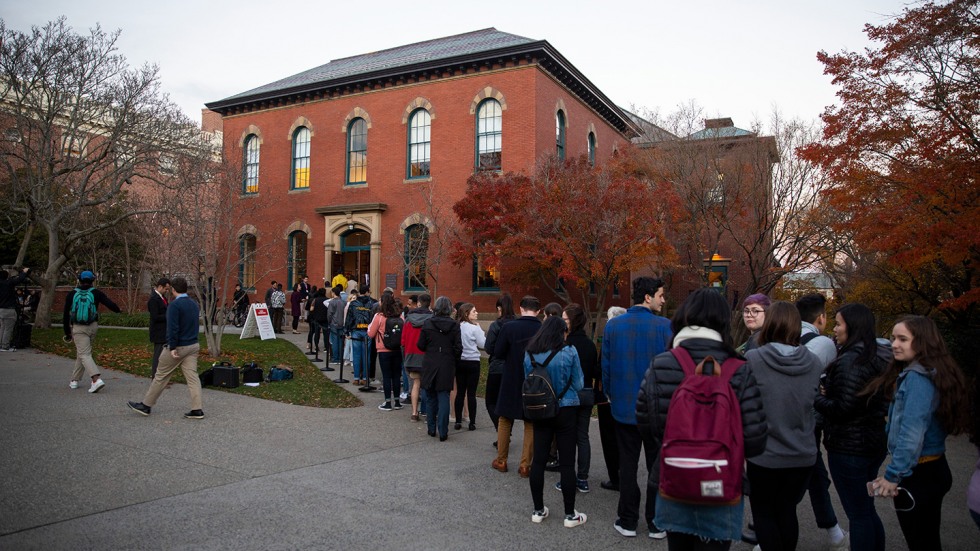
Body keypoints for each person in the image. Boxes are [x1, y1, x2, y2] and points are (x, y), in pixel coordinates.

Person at [636, 288, 768, 550]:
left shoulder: (662, 363)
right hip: (721, 482)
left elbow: (645, 420)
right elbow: (755, 440)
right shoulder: (739, 369)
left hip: (674, 476)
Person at [866, 316, 970, 550]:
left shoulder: (918, 377)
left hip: (919, 474)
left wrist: (893, 475)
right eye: (893, 338)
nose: (894, 344)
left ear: (922, 342)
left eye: (903, 339)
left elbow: (912, 434)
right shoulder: (930, 372)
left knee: (921, 542)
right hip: (932, 468)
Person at [744, 301, 823, 551]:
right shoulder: (813, 363)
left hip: (764, 453)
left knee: (764, 513)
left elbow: (744, 404)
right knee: (788, 511)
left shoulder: (754, 358)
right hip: (802, 452)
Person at [813, 303, 891, 551]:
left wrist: (817, 398)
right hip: (871, 442)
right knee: (866, 509)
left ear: (853, 326)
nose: (834, 329)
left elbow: (843, 407)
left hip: (849, 447)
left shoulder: (850, 361)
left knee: (858, 513)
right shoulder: (876, 356)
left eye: (838, 323)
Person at [601, 276, 672, 539]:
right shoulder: (666, 327)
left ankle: (628, 520)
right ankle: (656, 521)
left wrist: (610, 394)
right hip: (657, 409)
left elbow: (605, 366)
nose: (663, 301)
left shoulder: (614, 326)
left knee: (627, 466)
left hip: (623, 406)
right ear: (647, 297)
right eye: (661, 295)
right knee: (657, 466)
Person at [795, 293, 848, 549]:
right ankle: (832, 528)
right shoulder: (825, 345)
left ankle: (832, 528)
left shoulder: (780, 337)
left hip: (780, 415)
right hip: (810, 417)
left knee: (809, 471)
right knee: (812, 470)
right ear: (821, 317)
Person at [525, 315, 587, 528]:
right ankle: (570, 515)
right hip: (566, 408)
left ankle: (538, 510)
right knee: (568, 463)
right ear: (562, 332)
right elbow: (579, 384)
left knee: (539, 461)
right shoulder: (569, 352)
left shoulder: (530, 353)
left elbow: (529, 381)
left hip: (540, 409)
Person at [127, 277, 204, 419]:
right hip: (193, 345)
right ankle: (197, 409)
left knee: (160, 375)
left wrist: (172, 346)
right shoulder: (194, 304)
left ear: (173, 290)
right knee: (193, 378)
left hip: (179, 346)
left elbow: (172, 328)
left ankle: (146, 405)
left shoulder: (174, 306)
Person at [492, 295, 543, 477]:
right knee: (530, 422)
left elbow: (498, 352)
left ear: (521, 308)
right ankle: (525, 465)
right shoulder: (542, 329)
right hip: (534, 380)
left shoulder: (509, 327)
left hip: (511, 377)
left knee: (505, 419)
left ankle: (502, 460)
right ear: (538, 311)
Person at [558, 303, 597, 494]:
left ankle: (568, 478)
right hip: (587, 392)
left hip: (570, 394)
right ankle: (582, 478)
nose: (562, 322)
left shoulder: (566, 345)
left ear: (572, 321)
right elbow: (595, 370)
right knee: (583, 437)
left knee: (567, 437)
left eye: (565, 319)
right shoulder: (590, 345)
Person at [63, 270, 121, 393]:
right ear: (92, 280)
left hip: (78, 328)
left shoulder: (72, 294)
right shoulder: (96, 293)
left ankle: (96, 379)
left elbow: (65, 314)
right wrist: (118, 310)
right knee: (83, 352)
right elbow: (110, 304)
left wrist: (67, 331)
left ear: (79, 280)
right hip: (93, 326)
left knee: (84, 354)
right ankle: (74, 380)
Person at [417, 296, 461, 441]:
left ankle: (431, 428)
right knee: (444, 397)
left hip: (431, 362)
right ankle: (443, 430)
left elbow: (421, 345)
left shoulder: (428, 323)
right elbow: (458, 348)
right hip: (446, 363)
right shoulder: (454, 325)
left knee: (430, 397)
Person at [596, 305, 626, 492]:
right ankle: (624, 473)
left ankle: (615, 477)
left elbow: (602, 367)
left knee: (609, 438)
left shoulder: (609, 337)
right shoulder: (629, 338)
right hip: (627, 395)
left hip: (608, 396)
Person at [484, 293, 515, 439]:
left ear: (499, 308)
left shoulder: (496, 325)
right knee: (509, 403)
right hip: (513, 368)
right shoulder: (517, 325)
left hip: (497, 367)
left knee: (491, 401)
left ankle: (502, 432)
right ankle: (505, 432)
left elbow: (488, 347)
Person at [367, 292, 404, 411]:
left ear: (382, 302)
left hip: (383, 349)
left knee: (387, 376)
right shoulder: (399, 316)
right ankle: (397, 402)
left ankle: (388, 402)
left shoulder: (379, 316)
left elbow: (371, 334)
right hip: (397, 348)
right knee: (396, 376)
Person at [454, 303, 485, 431]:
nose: (476, 313)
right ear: (467, 313)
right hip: (473, 361)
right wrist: (481, 330)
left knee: (460, 392)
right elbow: (483, 344)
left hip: (460, 361)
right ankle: (472, 422)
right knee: (471, 393)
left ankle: (457, 421)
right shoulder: (475, 328)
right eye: (474, 311)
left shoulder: (457, 327)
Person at [402, 293, 432, 421]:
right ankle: (425, 410)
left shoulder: (408, 319)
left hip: (411, 354)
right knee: (426, 385)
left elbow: (403, 340)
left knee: (416, 384)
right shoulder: (431, 319)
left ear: (418, 303)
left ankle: (414, 412)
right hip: (426, 356)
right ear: (429, 304)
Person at [345, 285, 374, 386]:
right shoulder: (371, 303)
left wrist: (347, 330)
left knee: (356, 355)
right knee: (367, 355)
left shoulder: (353, 304)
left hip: (356, 330)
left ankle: (356, 378)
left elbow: (349, 318)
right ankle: (365, 378)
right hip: (368, 331)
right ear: (366, 292)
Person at [0, 267, 30, 351]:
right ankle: (5, 346)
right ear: (6, 277)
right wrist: (24, 272)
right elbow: (20, 279)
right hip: (9, 309)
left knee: (2, 328)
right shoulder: (8, 283)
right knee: (8, 329)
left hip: (1, 309)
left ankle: (1, 344)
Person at [147, 277, 171, 379]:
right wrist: (168, 315)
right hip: (158, 332)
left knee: (163, 356)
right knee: (158, 356)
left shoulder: (162, 298)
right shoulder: (153, 299)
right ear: (160, 286)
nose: (167, 291)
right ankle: (156, 377)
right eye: (166, 288)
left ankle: (161, 377)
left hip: (164, 331)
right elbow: (155, 316)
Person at [327, 284, 345, 365]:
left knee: (334, 341)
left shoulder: (332, 302)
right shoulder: (344, 302)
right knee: (341, 341)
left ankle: (335, 358)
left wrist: (329, 322)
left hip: (334, 323)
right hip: (342, 323)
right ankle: (340, 358)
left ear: (334, 293)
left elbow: (329, 314)